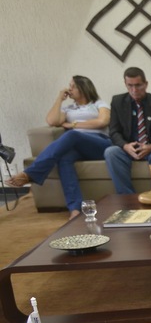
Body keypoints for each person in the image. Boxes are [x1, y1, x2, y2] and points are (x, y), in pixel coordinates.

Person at [6, 76, 111, 218]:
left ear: (83, 88)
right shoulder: (68, 108)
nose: (69, 89)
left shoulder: (99, 103)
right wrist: (59, 99)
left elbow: (102, 121)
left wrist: (73, 125)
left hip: (100, 143)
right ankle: (75, 209)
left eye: (73, 86)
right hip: (77, 147)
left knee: (72, 134)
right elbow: (51, 121)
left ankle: (31, 173)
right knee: (64, 158)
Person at [104, 67, 151, 194]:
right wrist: (125, 146)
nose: (134, 90)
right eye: (130, 85)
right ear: (125, 84)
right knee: (111, 152)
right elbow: (114, 131)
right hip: (128, 148)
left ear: (146, 84)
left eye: (138, 85)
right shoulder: (117, 102)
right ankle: (126, 197)